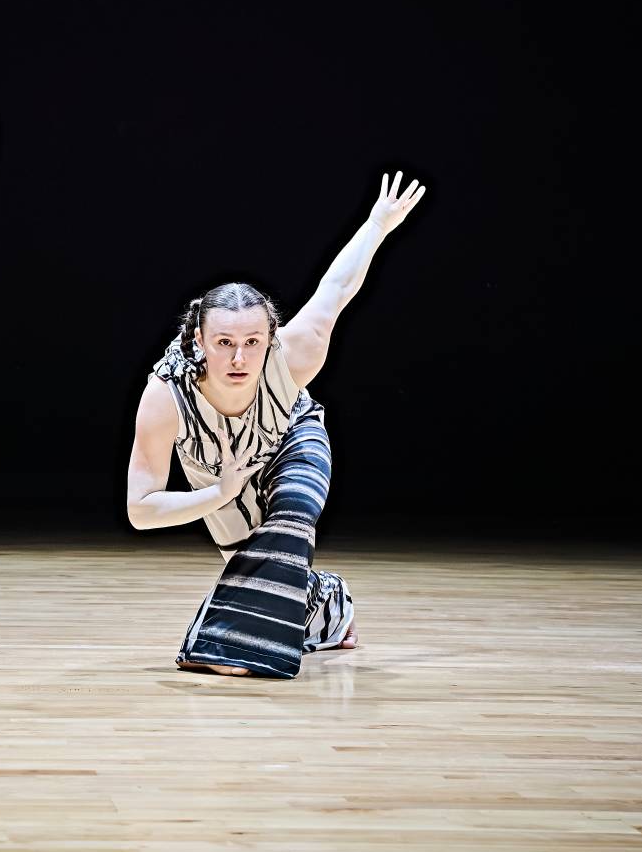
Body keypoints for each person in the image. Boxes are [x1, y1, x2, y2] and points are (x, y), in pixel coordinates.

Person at [126, 171, 426, 678]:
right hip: (220, 480)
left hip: (293, 441)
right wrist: (217, 495)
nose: (239, 357)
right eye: (224, 343)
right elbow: (140, 510)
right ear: (199, 340)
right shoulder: (165, 397)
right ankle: (328, 602)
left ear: (271, 338)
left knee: (290, 519)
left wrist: (377, 224)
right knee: (266, 568)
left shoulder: (296, 354)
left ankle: (224, 649)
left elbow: (337, 287)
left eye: (252, 342)